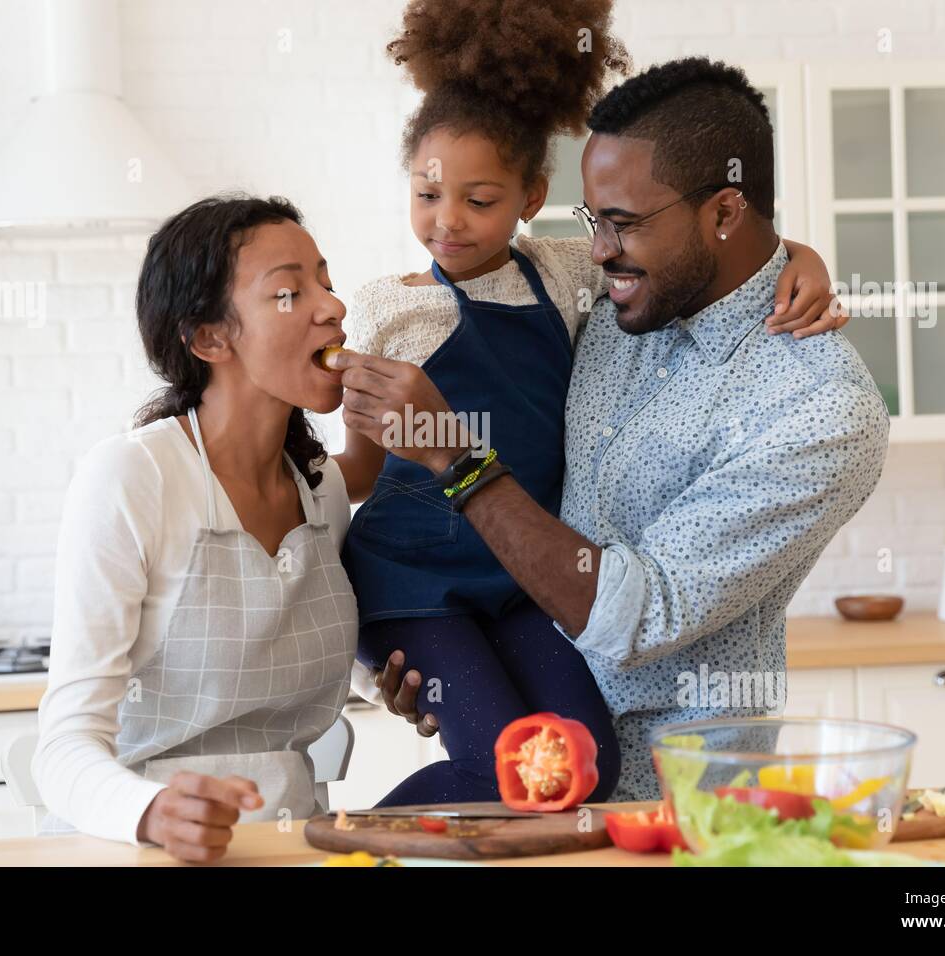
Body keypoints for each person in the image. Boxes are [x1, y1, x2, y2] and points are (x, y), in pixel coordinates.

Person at [336, 57, 890, 801]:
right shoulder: (619, 304)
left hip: (670, 803)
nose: (599, 250)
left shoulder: (818, 403)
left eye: (623, 224)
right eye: (594, 221)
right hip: (527, 752)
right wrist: (451, 660)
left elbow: (635, 614)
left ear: (724, 213)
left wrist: (458, 459)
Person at [33, 196, 357, 863]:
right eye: (291, 292)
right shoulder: (134, 477)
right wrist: (149, 812)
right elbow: (63, 747)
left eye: (325, 280)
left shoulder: (320, 488)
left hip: (293, 843)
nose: (333, 306)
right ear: (210, 339)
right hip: (142, 849)